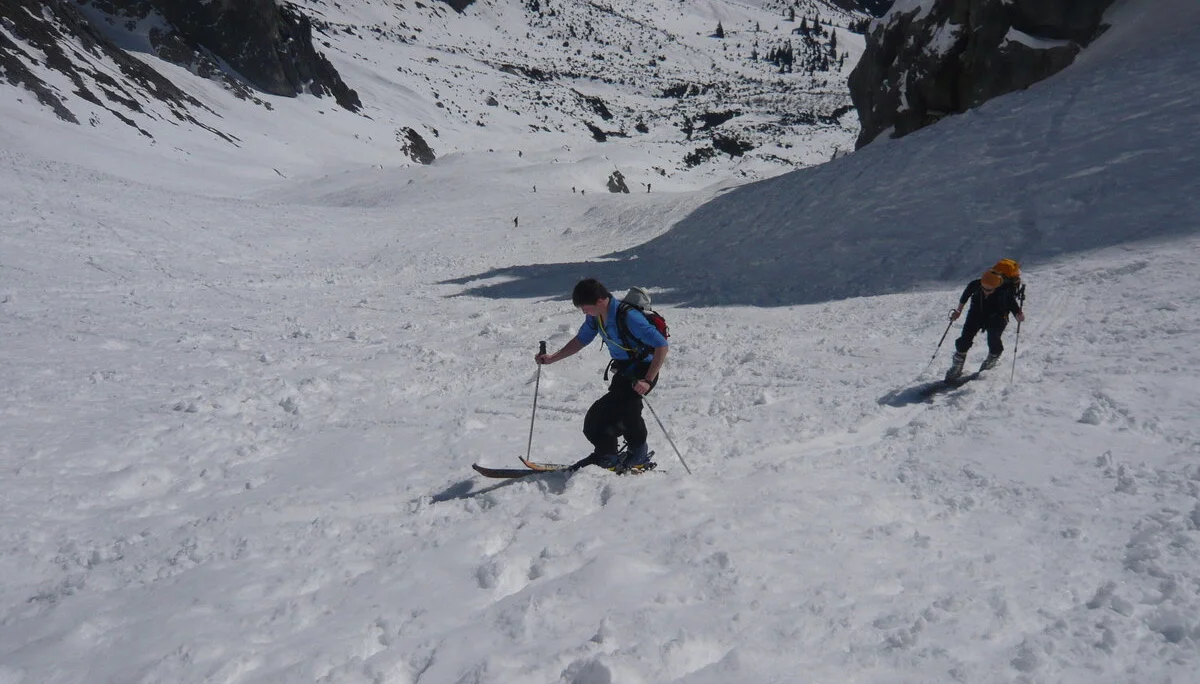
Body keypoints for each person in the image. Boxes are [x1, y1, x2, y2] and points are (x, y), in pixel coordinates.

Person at [535, 278, 669, 471]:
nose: (584, 312)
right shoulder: (595, 317)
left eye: (585, 307)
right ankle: (612, 456)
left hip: (643, 371)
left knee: (622, 412)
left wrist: (647, 380)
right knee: (600, 419)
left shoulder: (630, 317)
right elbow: (581, 340)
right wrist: (552, 358)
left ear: (599, 301)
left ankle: (626, 456)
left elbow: (661, 345)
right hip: (624, 371)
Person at [946, 269, 1025, 380]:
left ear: (997, 286)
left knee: (993, 338)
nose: (986, 291)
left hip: (997, 316)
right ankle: (957, 366)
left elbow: (1013, 305)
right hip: (976, 313)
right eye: (984, 288)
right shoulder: (975, 284)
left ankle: (993, 357)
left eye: (989, 289)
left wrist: (1018, 315)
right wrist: (958, 311)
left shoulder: (1004, 291)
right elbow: (965, 296)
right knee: (965, 338)